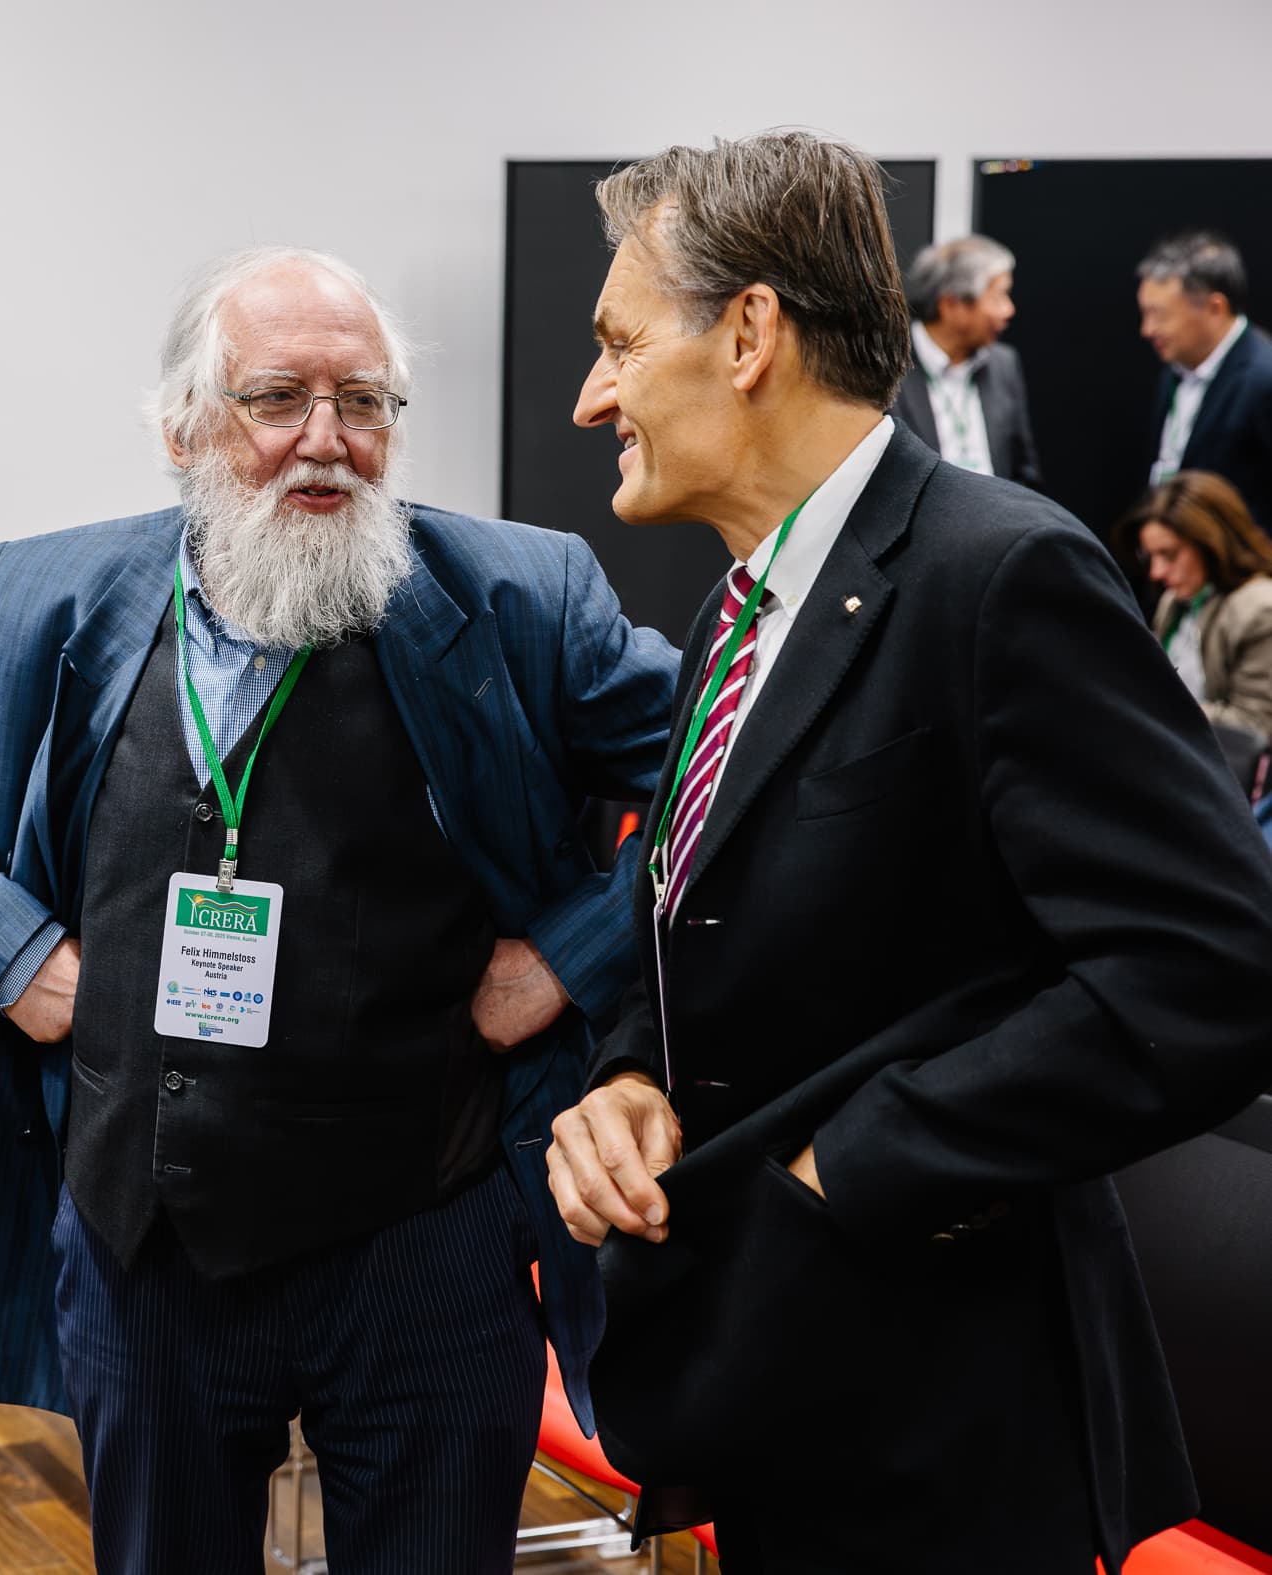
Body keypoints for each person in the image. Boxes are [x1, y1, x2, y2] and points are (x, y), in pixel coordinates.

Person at [0, 246, 678, 1574]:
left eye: (365, 402)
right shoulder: (44, 595)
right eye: (277, 398)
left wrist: (569, 955)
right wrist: (14, 955)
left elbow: (721, 771)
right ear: (183, 426)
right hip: (152, 1239)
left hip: (427, 1230)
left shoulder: (517, 597)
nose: (324, 440)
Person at [550, 131, 1272, 1574]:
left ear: (748, 331)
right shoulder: (736, 610)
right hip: (780, 1375)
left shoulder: (999, 572)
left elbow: (1212, 968)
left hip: (943, 1420)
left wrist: (861, 1162)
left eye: (620, 343)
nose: (591, 396)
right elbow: (691, 914)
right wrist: (626, 1072)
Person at [1125, 469, 1272, 739]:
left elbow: (1256, 726)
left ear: (1211, 544)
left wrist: (1157, 709)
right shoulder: (1174, 601)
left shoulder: (1261, 608)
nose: (1156, 572)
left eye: (1168, 555)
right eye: (1150, 557)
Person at [1140, 231, 1272, 526]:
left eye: (1159, 315)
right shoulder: (1175, 370)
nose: (1147, 329)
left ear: (1215, 308)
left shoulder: (1264, 378)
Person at [891, 234, 1042, 488]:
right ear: (952, 305)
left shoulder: (1004, 364)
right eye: (998, 297)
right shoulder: (889, 365)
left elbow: (1024, 469)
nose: (1009, 310)